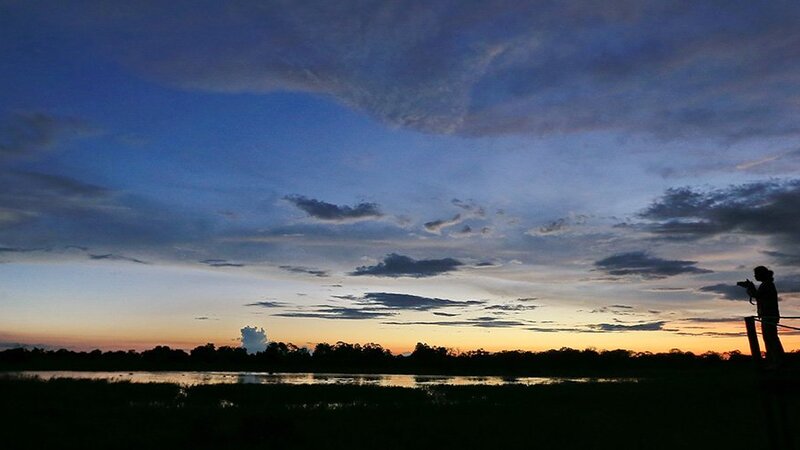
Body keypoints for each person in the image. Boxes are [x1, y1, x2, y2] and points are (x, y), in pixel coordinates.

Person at [745, 266, 784, 367]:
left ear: (761, 274)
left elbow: (757, 295)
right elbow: (759, 296)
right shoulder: (767, 284)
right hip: (768, 315)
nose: (755, 276)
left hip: (769, 315)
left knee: (771, 339)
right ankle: (775, 360)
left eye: (756, 274)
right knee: (770, 338)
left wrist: (749, 288)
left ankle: (778, 361)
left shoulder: (767, 285)